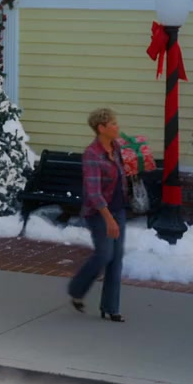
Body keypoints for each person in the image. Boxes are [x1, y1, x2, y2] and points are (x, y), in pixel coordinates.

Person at [68, 107, 135, 322]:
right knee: (105, 254)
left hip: (118, 209)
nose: (117, 127)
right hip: (99, 213)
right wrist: (109, 219)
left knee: (116, 258)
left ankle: (111, 308)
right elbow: (94, 193)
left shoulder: (116, 147)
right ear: (101, 128)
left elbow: (123, 174)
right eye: (113, 124)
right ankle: (76, 289)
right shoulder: (92, 154)